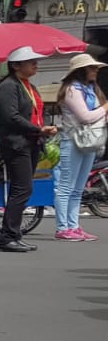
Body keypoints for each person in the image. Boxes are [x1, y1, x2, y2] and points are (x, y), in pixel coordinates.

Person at [0, 46, 59, 252]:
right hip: (16, 143)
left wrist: (43, 129)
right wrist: (39, 129)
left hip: (30, 143)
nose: (35, 64)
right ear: (15, 66)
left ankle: (13, 234)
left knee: (21, 189)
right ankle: (7, 237)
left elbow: (35, 112)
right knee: (23, 189)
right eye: (30, 61)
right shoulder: (8, 87)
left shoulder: (27, 86)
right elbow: (11, 117)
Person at [52, 53, 106, 242]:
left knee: (78, 188)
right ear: (81, 70)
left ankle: (74, 226)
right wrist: (105, 109)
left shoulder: (91, 89)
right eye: (92, 68)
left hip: (89, 141)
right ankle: (62, 227)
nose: (96, 71)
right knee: (66, 186)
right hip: (73, 140)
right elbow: (85, 116)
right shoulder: (71, 90)